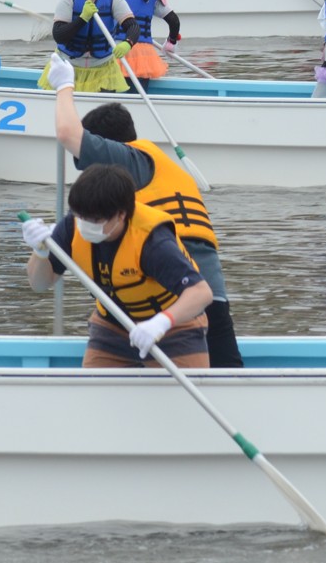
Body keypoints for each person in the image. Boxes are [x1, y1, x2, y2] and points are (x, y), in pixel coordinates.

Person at [45, 60, 242, 366]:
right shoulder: (153, 162)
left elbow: (68, 134)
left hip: (183, 287)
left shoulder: (128, 159)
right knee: (224, 366)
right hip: (196, 282)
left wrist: (64, 86)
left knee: (220, 372)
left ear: (107, 146)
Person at [21, 164, 214, 369]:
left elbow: (201, 293)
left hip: (173, 329)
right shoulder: (71, 226)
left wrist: (161, 323)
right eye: (80, 216)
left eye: (95, 219)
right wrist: (40, 253)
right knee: (92, 386)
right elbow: (39, 284)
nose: (85, 224)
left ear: (121, 215)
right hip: (112, 326)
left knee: (188, 387)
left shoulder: (153, 242)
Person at [40, 0, 140, 93]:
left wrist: (128, 42)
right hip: (69, 66)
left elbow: (133, 26)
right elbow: (59, 35)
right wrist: (82, 18)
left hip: (103, 67)